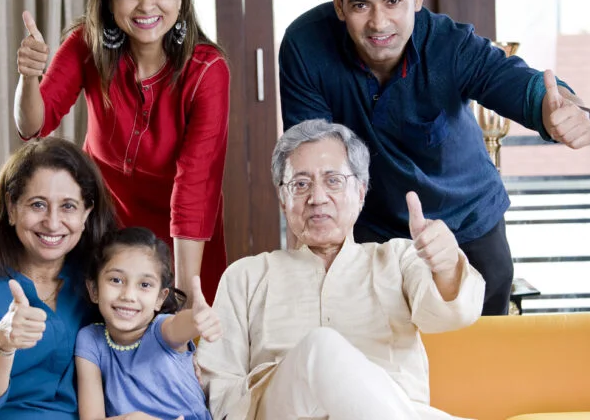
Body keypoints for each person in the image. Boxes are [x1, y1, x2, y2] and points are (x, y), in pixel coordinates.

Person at [278, 0, 590, 315]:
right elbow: (309, 154)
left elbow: (515, 82)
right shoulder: (305, 45)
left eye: (393, 1)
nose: (379, 23)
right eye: (361, 5)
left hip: (469, 225)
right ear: (339, 5)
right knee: (378, 348)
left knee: (480, 347)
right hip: (372, 231)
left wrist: (566, 109)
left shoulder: (451, 44)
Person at [197, 119, 485, 420]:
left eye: (333, 180)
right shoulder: (245, 276)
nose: (317, 198)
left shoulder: (399, 258)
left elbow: (454, 314)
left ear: (360, 192)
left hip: (396, 410)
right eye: (301, 184)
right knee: (320, 349)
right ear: (283, 200)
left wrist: (446, 266)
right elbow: (219, 391)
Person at [15, 0, 230, 303]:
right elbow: (33, 124)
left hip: (183, 246)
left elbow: (195, 188)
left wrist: (182, 297)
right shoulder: (86, 44)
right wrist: (29, 76)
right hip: (103, 230)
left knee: (178, 334)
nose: (147, 6)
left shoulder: (207, 70)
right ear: (109, 0)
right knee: (91, 332)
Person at [0, 137, 117, 420]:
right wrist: (1, 345)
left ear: (86, 214)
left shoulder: (99, 282)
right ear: (12, 207)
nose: (53, 223)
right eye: (38, 205)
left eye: (68, 206)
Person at [75, 227, 222, 420]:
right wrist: (131, 419)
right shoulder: (90, 340)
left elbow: (178, 326)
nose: (128, 295)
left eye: (144, 285)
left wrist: (196, 319)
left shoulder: (161, 330)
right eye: (116, 280)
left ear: (160, 298)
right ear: (94, 289)